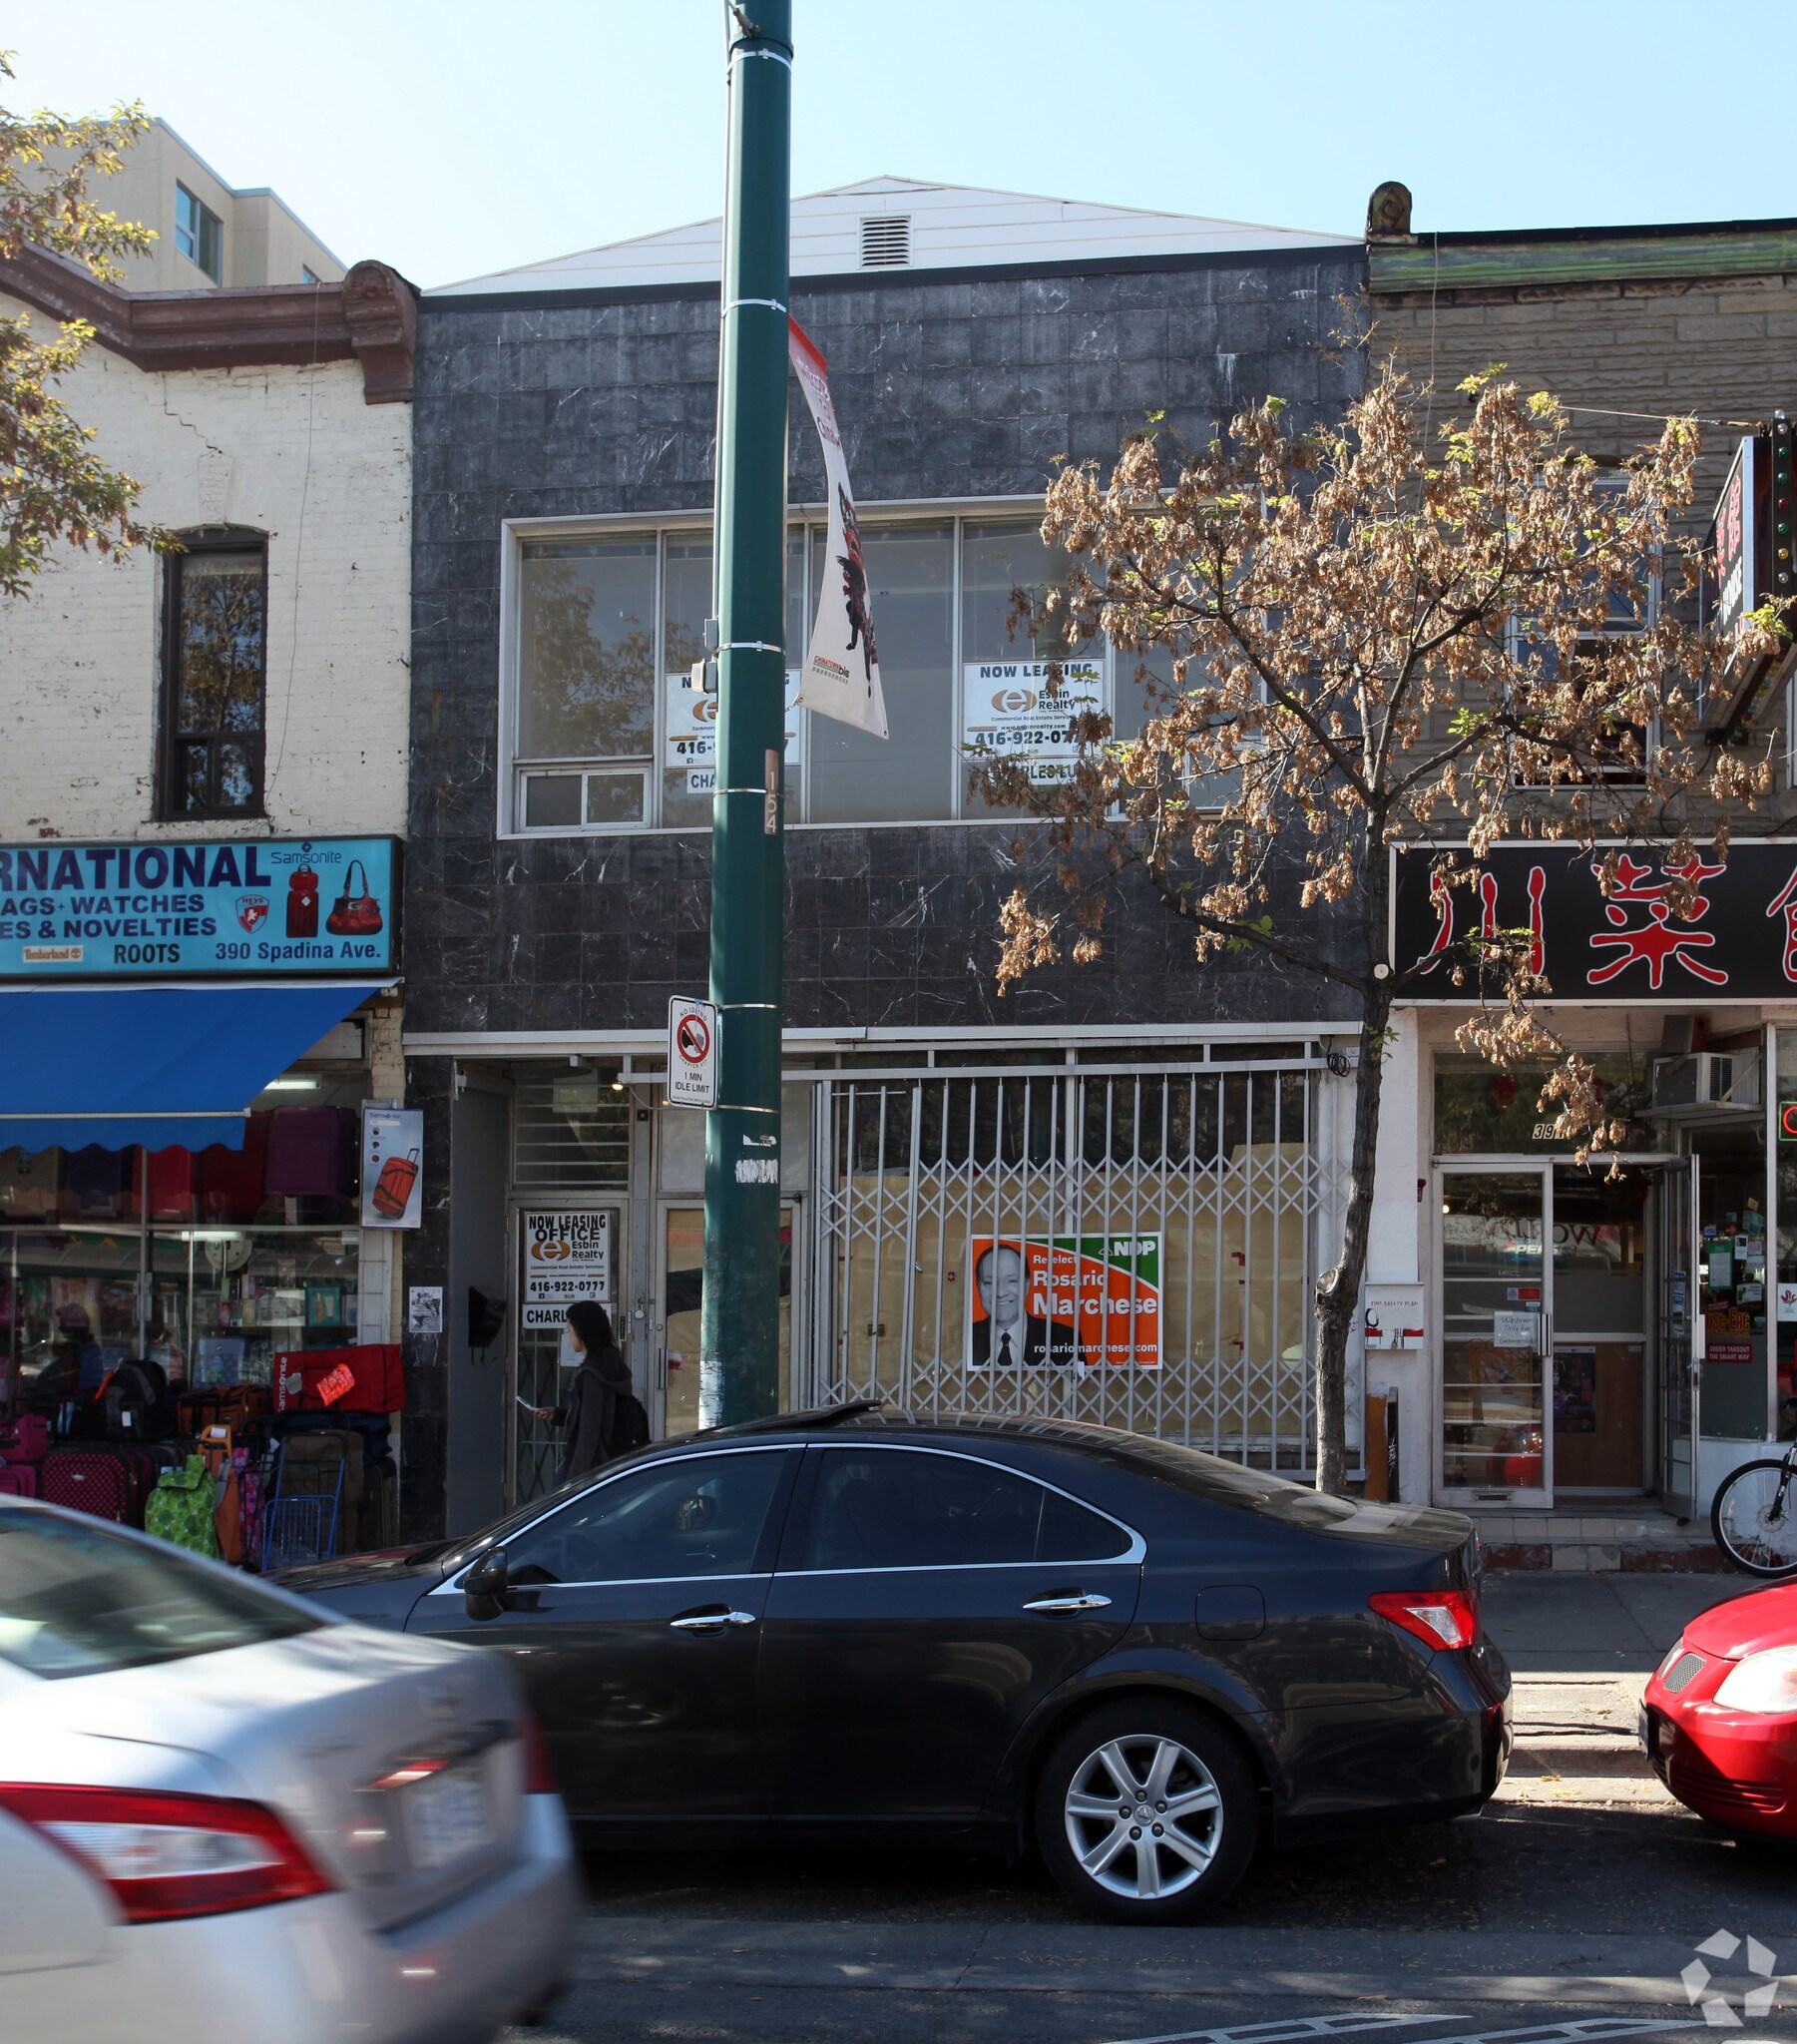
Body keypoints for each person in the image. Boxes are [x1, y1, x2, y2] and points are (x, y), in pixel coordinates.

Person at [532, 1300, 644, 1484]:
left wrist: (574, 1483)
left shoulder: (592, 1374)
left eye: (570, 1330)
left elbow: (588, 1433)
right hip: (615, 1464)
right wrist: (560, 1415)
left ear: (582, 1331)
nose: (569, 1337)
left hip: (594, 1471)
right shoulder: (613, 1363)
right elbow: (603, 1414)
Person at [970, 1242, 1084, 1365]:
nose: (1000, 1292)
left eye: (1012, 1281)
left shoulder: (1066, 1338)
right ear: (978, 1287)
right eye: (989, 1282)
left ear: (1027, 1285)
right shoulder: (966, 1337)